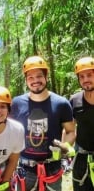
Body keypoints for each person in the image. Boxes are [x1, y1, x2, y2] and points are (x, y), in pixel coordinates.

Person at [10, 55, 76, 191]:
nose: (35, 81)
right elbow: (8, 130)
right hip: (25, 168)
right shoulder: (17, 103)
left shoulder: (61, 103)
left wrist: (65, 146)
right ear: (26, 80)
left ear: (46, 77)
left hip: (53, 166)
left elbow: (70, 131)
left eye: (39, 76)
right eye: (30, 78)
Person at [70, 56, 94, 191]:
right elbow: (69, 129)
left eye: (89, 75)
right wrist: (65, 146)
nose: (86, 80)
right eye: (82, 77)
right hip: (81, 157)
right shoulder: (74, 100)